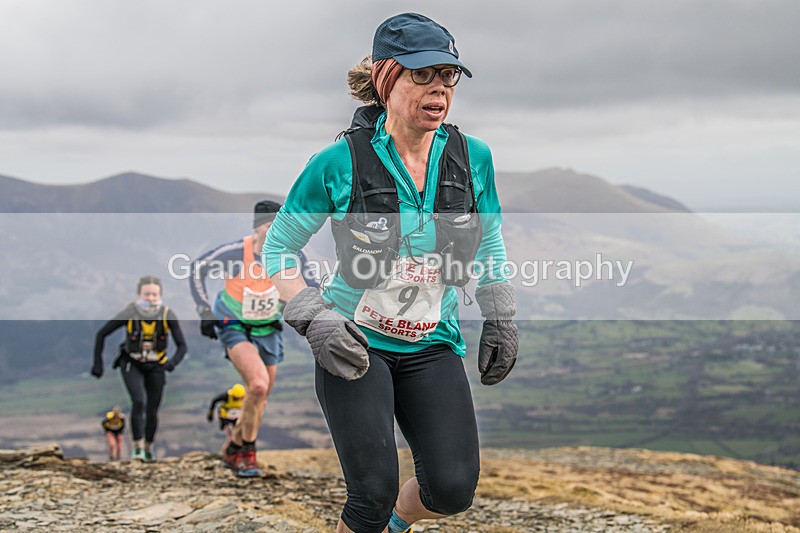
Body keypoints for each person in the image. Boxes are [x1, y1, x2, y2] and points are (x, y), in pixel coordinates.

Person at [264, 12, 519, 533]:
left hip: (432, 342)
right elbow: (279, 248)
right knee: (369, 497)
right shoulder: (338, 163)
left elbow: (489, 237)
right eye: (421, 75)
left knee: (451, 491)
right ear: (386, 79)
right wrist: (314, 318)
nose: (439, 88)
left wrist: (499, 315)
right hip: (354, 343)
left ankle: (401, 524)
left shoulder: (474, 159)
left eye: (448, 75)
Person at [189, 200, 317, 477]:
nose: (276, 231)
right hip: (234, 323)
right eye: (271, 225)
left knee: (262, 396)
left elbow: (311, 285)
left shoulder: (292, 254)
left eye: (281, 225)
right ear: (257, 228)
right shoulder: (236, 252)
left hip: (268, 326)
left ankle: (234, 446)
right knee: (258, 386)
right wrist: (203, 310)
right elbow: (197, 269)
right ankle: (247, 452)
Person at [91, 275, 187, 462]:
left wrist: (172, 363)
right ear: (139, 294)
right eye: (147, 294)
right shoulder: (130, 313)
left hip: (156, 366)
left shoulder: (167, 315)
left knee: (153, 409)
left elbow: (182, 346)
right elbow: (102, 334)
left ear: (160, 295)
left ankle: (149, 447)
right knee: (139, 401)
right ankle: (137, 448)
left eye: (154, 294)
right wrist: (98, 364)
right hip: (131, 363)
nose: (151, 298)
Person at [207, 383, 246, 455]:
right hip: (225, 417)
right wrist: (210, 413)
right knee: (231, 435)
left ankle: (237, 452)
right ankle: (224, 453)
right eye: (236, 398)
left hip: (236, 417)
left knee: (240, 435)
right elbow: (214, 401)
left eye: (240, 398)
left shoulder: (245, 397)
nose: (238, 399)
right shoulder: (226, 396)